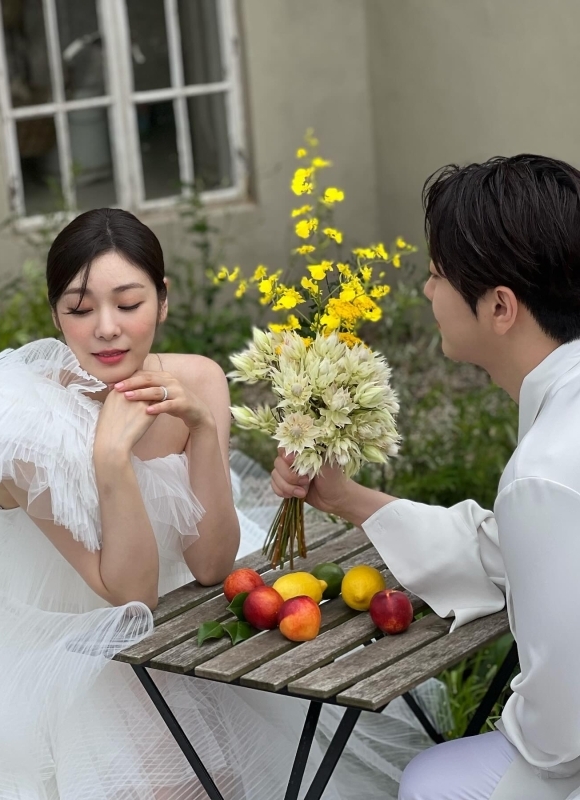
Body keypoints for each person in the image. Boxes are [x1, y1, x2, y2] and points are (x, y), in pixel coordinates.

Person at [0, 207, 439, 800]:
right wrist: (110, 460)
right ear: (56, 316)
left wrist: (202, 429)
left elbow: (209, 566)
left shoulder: (198, 381)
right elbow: (130, 597)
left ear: (163, 300)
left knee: (245, 772)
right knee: (179, 784)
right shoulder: (23, 427)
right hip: (63, 643)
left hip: (175, 620)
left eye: (128, 304)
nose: (106, 328)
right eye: (79, 309)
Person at [271, 155, 580, 800]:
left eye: (437, 274)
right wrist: (348, 497)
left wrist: (517, 726)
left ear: (500, 306)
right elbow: (502, 548)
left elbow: (562, 733)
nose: (427, 292)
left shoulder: (546, 471)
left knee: (431, 781)